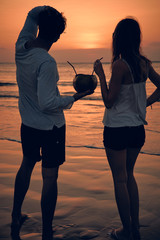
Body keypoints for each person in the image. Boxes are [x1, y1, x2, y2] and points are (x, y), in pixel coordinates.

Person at [11, 6, 93, 240]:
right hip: (50, 127)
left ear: (39, 28)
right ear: (56, 36)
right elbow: (48, 103)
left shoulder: (21, 46)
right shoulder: (46, 62)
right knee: (49, 176)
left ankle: (16, 215)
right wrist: (75, 97)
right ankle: (47, 230)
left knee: (26, 165)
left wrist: (47, 11)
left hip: (28, 122)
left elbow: (30, 14)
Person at [94, 17, 160, 240]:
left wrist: (101, 75)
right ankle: (135, 227)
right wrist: (145, 103)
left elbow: (109, 101)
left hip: (117, 129)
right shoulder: (144, 63)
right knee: (129, 175)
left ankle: (126, 231)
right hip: (136, 130)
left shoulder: (120, 65)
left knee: (120, 179)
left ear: (119, 39)